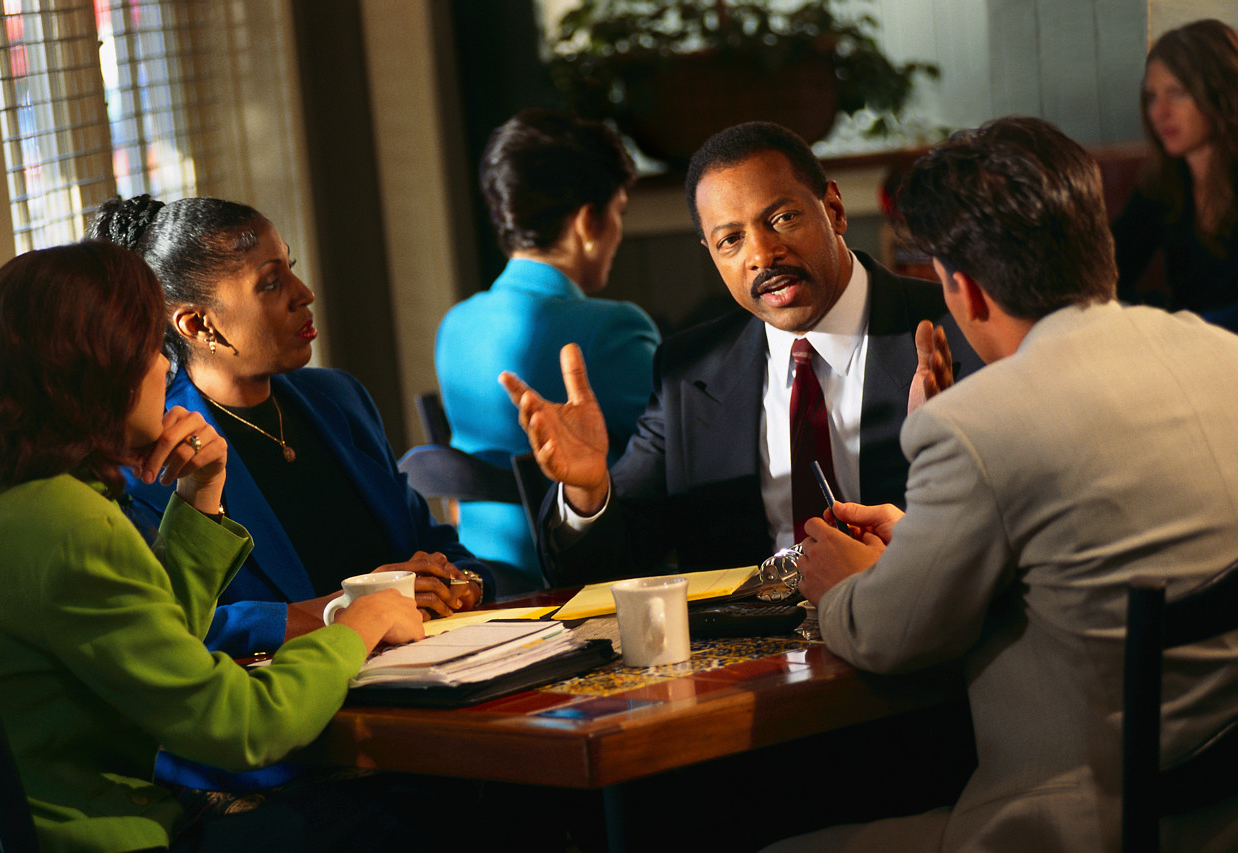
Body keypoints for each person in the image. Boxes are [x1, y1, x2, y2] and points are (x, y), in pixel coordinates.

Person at [776, 117, 1238, 852]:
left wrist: (839, 588)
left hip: (1082, 823)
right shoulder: (1224, 353)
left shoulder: (982, 421)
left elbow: (890, 635)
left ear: (964, 288)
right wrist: (922, 532)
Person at [0, 242, 431, 852]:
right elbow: (239, 727)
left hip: (4, 832)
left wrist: (200, 498)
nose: (165, 367)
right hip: (92, 835)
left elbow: (161, 647)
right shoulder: (70, 524)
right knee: (405, 815)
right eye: (150, 348)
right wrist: (356, 624)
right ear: (103, 366)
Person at [501, 120, 981, 587]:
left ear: (833, 208)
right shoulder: (688, 372)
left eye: (782, 219)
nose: (761, 254)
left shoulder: (958, 329)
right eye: (731, 239)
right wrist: (587, 492)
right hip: (747, 657)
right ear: (711, 253)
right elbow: (600, 570)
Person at [87, 195, 490, 665]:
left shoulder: (340, 398)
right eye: (272, 283)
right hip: (289, 708)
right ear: (198, 324)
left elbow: (438, 546)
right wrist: (345, 614)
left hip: (439, 671)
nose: (305, 293)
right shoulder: (156, 456)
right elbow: (181, 629)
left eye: (291, 268)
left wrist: (457, 586)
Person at [435, 109, 660, 592]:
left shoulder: (455, 325)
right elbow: (686, 452)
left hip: (482, 583)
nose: (618, 230)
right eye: (618, 212)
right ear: (587, 222)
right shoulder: (613, 329)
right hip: (583, 579)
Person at [1114, 18, 1238, 325]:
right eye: (1152, 96)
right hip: (1189, 351)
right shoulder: (1163, 185)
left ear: (1220, 93)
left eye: (1178, 93)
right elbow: (1109, 268)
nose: (1159, 112)